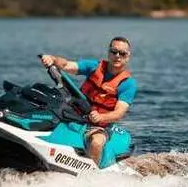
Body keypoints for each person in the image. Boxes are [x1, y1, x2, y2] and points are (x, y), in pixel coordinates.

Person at [40, 37, 137, 167]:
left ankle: (91, 175)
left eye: (122, 53)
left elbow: (119, 113)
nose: (117, 56)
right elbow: (67, 65)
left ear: (128, 56)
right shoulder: (94, 66)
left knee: (96, 142)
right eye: (114, 52)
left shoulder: (128, 84)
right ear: (109, 52)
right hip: (74, 114)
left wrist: (100, 117)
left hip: (99, 125)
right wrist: (52, 59)